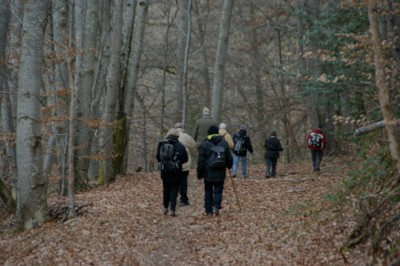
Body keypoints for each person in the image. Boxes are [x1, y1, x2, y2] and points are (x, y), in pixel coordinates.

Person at [197, 125, 233, 216]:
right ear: (217, 132)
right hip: (220, 171)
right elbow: (229, 157)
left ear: (208, 133)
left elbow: (200, 160)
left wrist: (199, 173)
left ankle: (208, 210)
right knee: (218, 190)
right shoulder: (224, 142)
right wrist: (229, 166)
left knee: (208, 190)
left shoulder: (205, 143)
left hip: (208, 172)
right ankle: (216, 207)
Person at [156, 128, 188, 216]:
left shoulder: (161, 143)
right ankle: (172, 209)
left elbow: (158, 157)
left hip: (164, 170)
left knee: (166, 188)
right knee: (174, 189)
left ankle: (165, 207)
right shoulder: (180, 145)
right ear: (177, 136)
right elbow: (185, 159)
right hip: (176, 171)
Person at [174, 122, 196, 206]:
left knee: (174, 182)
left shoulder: (170, 135)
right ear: (182, 128)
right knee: (183, 181)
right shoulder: (185, 136)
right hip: (184, 164)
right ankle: (183, 199)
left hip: (173, 164)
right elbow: (193, 144)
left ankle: (172, 198)